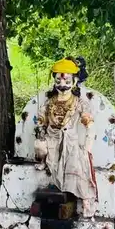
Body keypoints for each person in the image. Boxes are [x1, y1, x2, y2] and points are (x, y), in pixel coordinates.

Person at [36, 58, 98, 217]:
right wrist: (40, 133)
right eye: (58, 80)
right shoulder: (49, 102)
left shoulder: (79, 103)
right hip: (51, 139)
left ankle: (85, 200)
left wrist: (87, 149)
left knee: (77, 164)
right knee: (39, 146)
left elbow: (90, 126)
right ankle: (43, 161)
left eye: (67, 80)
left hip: (70, 141)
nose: (62, 84)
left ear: (75, 81)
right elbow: (41, 122)